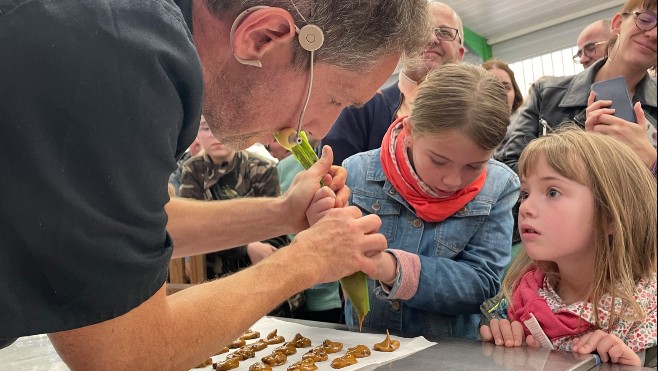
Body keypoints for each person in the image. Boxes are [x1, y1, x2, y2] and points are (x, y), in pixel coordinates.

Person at [0, 0, 433, 368]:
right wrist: (309, 260)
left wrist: (282, 213)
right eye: (337, 99)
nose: (321, 127)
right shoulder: (122, 50)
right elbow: (123, 353)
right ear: (263, 37)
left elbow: (138, 224)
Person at [333, 64, 520, 339]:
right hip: (365, 346)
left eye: (474, 166)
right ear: (409, 131)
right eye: (438, 160)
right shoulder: (357, 173)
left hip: (448, 355)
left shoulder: (499, 186)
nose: (453, 180)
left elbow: (482, 283)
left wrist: (395, 269)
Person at [480, 129, 657, 367]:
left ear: (611, 217)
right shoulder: (513, 299)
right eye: (525, 193)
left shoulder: (648, 313)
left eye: (552, 192)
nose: (525, 208)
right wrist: (497, 349)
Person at [497, 0, 657, 176]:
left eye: (590, 48)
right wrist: (579, 159)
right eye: (645, 19)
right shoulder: (546, 93)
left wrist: (652, 161)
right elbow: (511, 170)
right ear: (618, 24)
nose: (654, 34)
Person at [321, 1, 465, 166]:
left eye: (444, 32)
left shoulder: (478, 112)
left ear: (460, 53)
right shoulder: (358, 106)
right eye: (421, 30)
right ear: (403, 47)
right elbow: (333, 180)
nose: (431, 39)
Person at [178, 115, 288, 279]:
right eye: (207, 128)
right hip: (210, 280)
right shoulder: (193, 169)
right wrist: (246, 247)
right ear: (197, 134)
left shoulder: (262, 168)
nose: (215, 134)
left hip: (258, 275)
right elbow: (191, 229)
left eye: (223, 127)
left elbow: (276, 233)